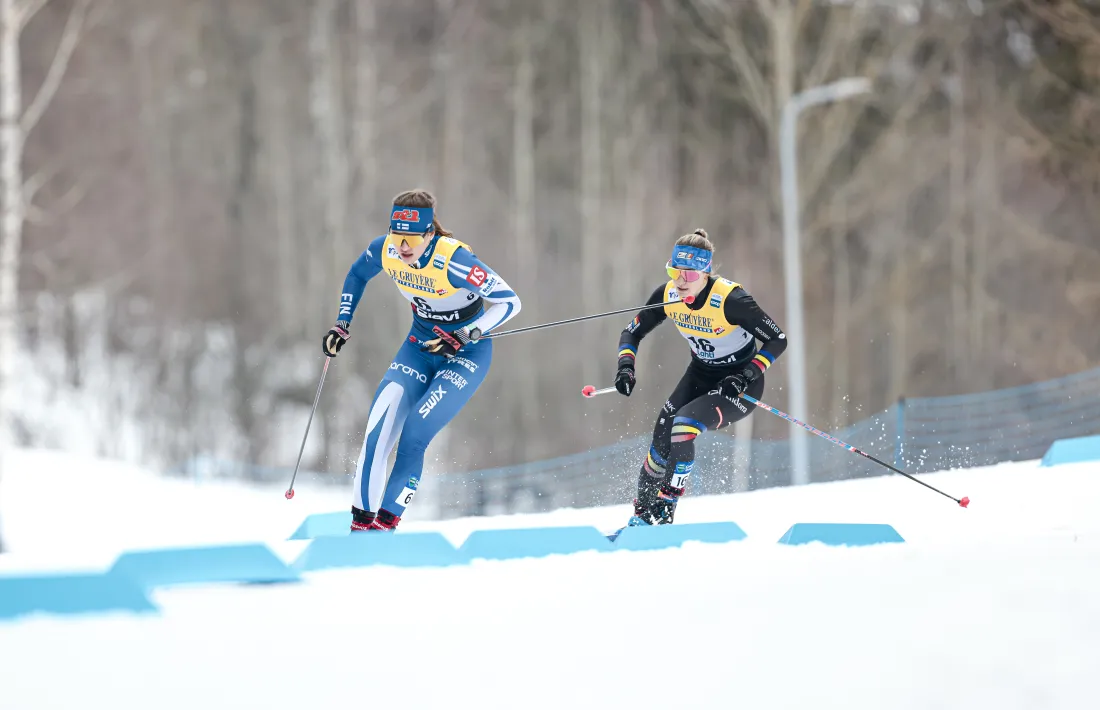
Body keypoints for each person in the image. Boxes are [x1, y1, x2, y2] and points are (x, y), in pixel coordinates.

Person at [322, 189, 521, 531]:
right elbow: (357, 275)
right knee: (377, 435)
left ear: (429, 235)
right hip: (419, 347)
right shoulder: (384, 249)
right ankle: (360, 529)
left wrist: (464, 334)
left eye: (411, 239)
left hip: (465, 354)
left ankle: (385, 526)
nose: (402, 247)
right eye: (397, 236)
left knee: (414, 434)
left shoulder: (455, 261)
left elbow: (510, 302)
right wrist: (342, 322)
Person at [612, 228, 787, 527]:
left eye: (690, 275)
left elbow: (778, 340)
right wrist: (626, 366)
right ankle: (642, 517)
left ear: (705, 273)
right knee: (660, 446)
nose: (680, 281)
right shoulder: (667, 294)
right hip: (700, 375)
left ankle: (666, 510)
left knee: (684, 426)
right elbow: (632, 331)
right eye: (674, 271)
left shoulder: (731, 300)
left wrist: (746, 375)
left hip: (738, 385)